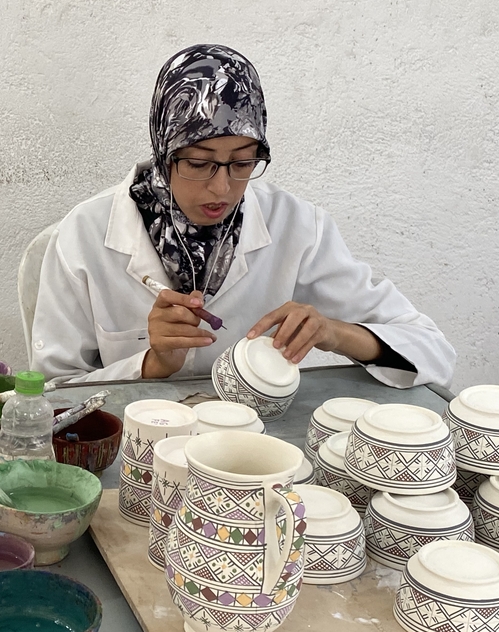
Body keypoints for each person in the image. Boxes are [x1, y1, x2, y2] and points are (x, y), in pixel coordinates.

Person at [30, 44, 455, 388]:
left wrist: (333, 333)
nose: (222, 188)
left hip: (257, 456)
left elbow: (431, 349)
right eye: (198, 163)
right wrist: (152, 364)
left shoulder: (296, 227)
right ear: (164, 153)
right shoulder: (85, 235)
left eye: (242, 163)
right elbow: (48, 391)